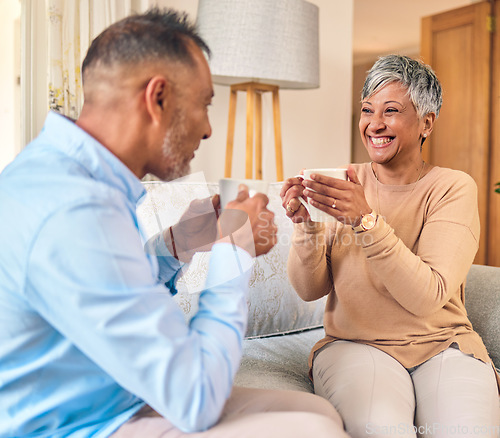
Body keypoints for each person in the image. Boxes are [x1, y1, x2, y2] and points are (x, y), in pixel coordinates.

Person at [0, 8, 348, 438]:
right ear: (157, 97)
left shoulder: (76, 178)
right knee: (316, 432)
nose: (206, 129)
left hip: (116, 393)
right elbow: (195, 397)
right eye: (204, 104)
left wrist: (182, 241)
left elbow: (119, 288)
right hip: (83, 424)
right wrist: (233, 248)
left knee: (320, 414)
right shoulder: (73, 211)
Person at [281, 54, 500, 437]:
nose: (374, 124)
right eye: (367, 110)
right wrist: (306, 225)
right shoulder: (344, 181)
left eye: (391, 110)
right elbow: (309, 289)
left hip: (443, 344)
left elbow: (426, 296)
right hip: (355, 344)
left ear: (426, 123)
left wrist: (365, 221)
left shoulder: (452, 188)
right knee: (383, 430)